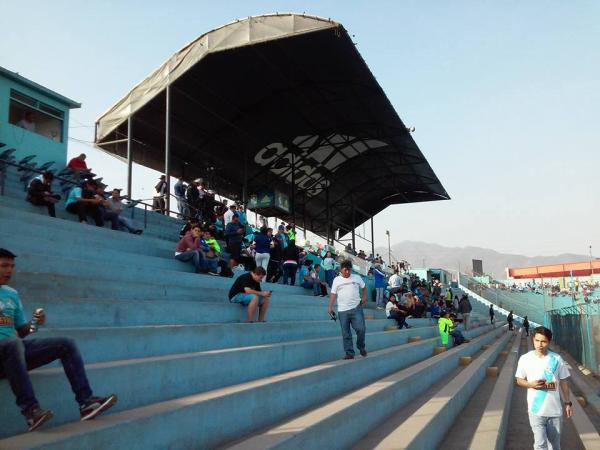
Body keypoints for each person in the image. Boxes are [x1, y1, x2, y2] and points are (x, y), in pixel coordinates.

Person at [0, 248, 117, 432]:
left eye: (12, 266)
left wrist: (34, 324)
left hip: (12, 354)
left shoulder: (11, 294)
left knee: (65, 344)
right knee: (13, 344)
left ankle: (86, 403)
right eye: (4, 266)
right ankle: (31, 412)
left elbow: (21, 331)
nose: (9, 271)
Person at [515, 326, 572, 449]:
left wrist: (568, 403)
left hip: (554, 411)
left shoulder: (556, 359)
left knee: (554, 445)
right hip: (535, 410)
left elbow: (563, 381)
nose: (539, 344)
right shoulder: (525, 359)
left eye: (543, 341)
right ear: (533, 340)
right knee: (540, 444)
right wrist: (530, 384)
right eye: (537, 340)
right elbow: (519, 380)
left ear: (549, 342)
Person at [327, 259, 367, 360]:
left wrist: (364, 297)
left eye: (349, 270)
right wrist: (330, 307)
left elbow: (364, 287)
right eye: (345, 270)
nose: (347, 272)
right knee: (346, 333)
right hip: (342, 311)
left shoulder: (356, 277)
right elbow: (333, 294)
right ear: (341, 270)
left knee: (361, 329)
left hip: (356, 308)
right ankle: (349, 353)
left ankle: (361, 346)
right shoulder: (336, 280)